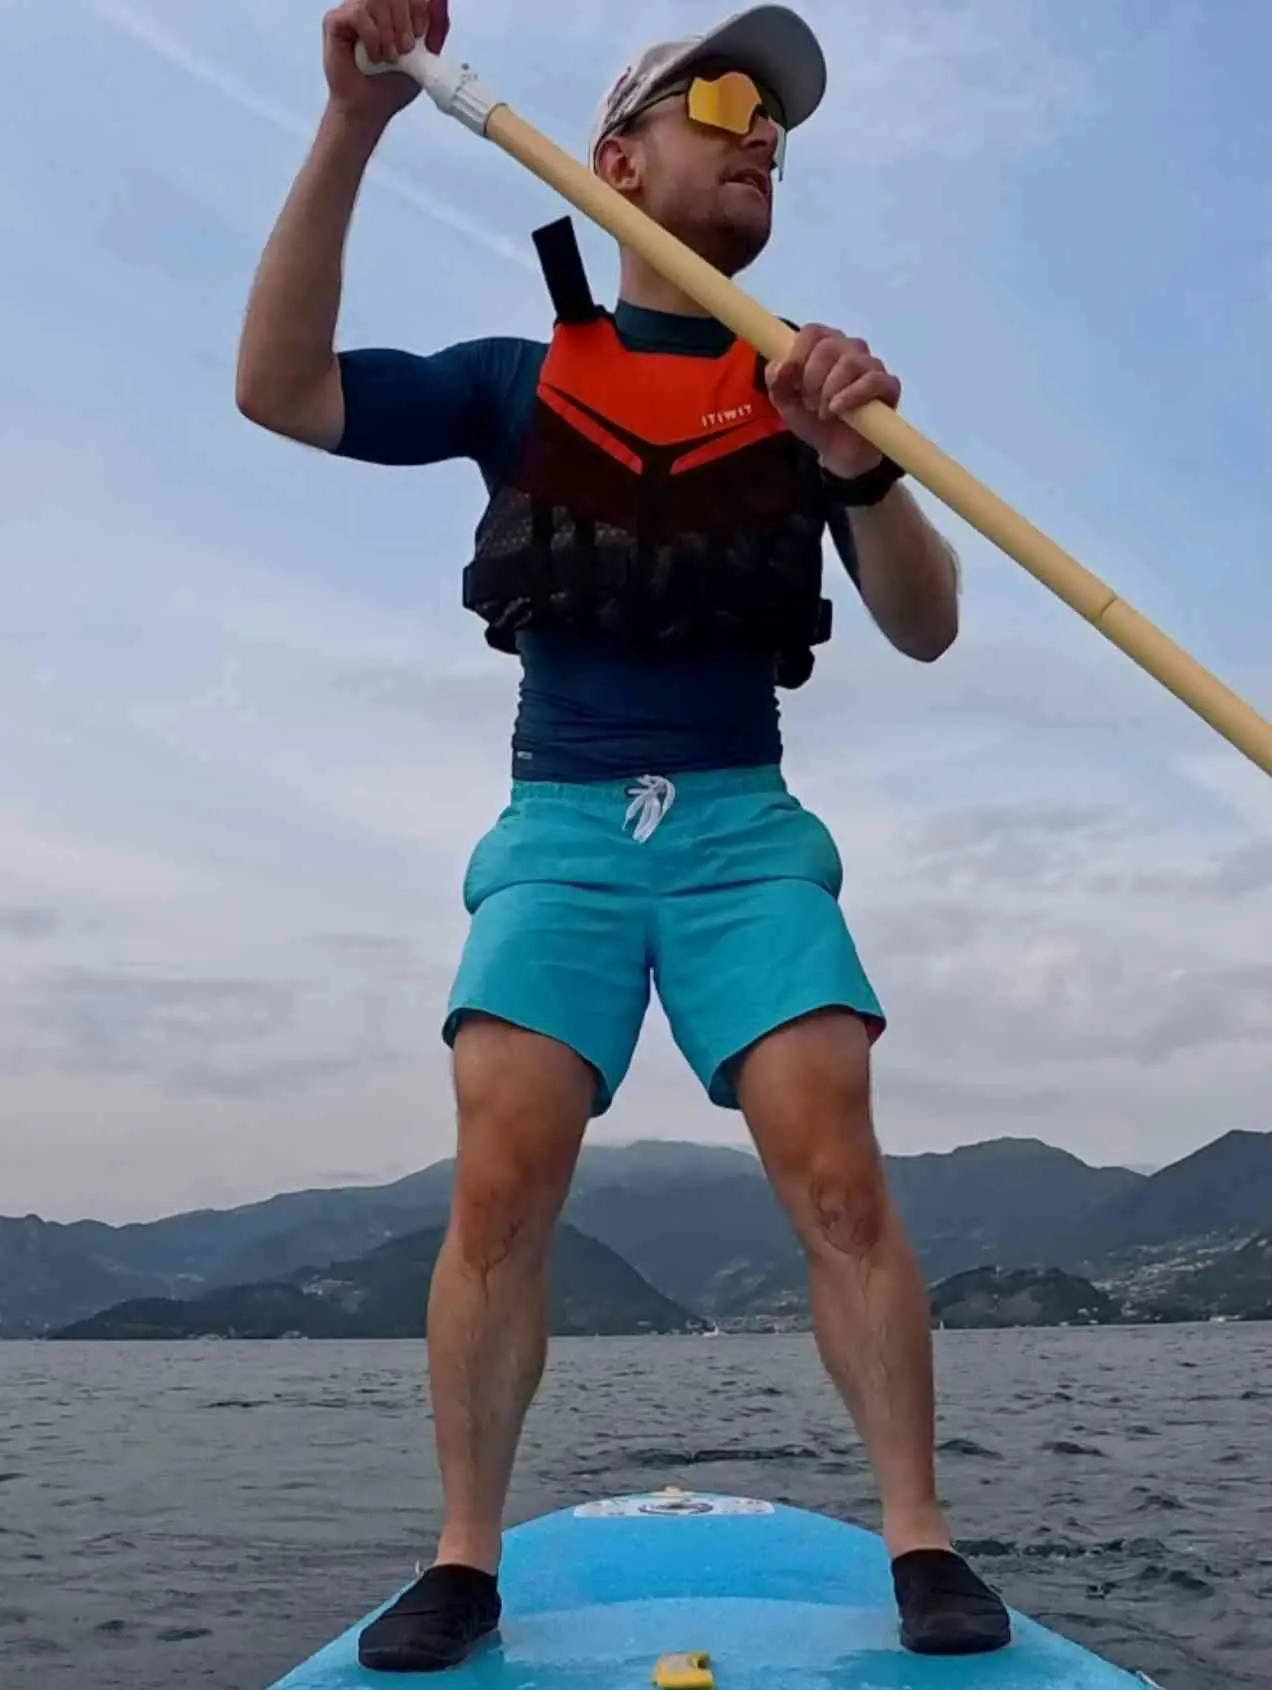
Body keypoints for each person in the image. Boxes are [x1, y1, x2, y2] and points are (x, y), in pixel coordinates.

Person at [236, 0, 1011, 1668]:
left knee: (839, 1171)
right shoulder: (514, 383)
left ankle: (923, 1539)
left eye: (777, 125)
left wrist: (861, 469)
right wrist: (355, 123)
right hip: (563, 827)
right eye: (721, 99)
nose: (760, 133)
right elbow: (276, 390)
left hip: (743, 827)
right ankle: (463, 1555)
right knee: (499, 1185)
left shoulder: (811, 388)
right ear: (616, 161)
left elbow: (930, 626)